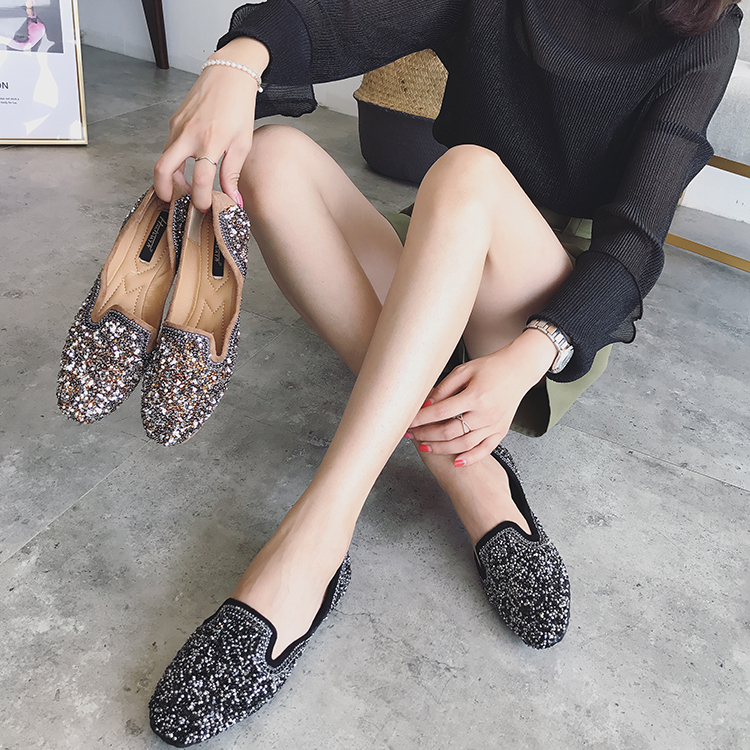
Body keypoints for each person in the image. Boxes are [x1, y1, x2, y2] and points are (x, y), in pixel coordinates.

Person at [146, 0, 741, 745]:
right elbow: (348, 19)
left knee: (467, 171)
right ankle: (466, 468)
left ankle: (317, 536)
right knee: (271, 157)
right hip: (440, 246)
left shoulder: (704, 32)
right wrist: (239, 61)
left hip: (543, 309)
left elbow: (636, 244)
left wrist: (532, 355)